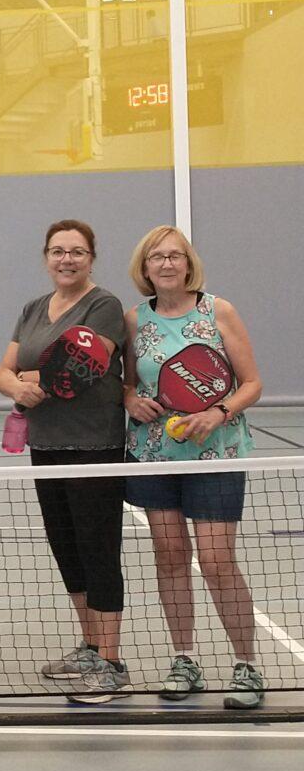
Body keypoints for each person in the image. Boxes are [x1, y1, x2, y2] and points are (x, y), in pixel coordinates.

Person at [122, 225, 264, 709]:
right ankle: (185, 658)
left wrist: (219, 412)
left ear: (188, 263)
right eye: (157, 257)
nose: (166, 264)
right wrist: (131, 401)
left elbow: (251, 384)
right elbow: (125, 385)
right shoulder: (133, 319)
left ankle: (246, 665)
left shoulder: (217, 310)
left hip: (216, 452)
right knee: (170, 556)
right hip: (154, 454)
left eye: (175, 256)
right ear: (144, 268)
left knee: (218, 561)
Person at [0, 219, 129, 703]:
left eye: (76, 251)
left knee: (98, 551)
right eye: (57, 251)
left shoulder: (104, 305)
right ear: (46, 257)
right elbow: (3, 369)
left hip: (95, 446)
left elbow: (85, 365)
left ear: (91, 257)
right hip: (45, 444)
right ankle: (91, 646)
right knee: (66, 548)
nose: (66, 259)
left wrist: (29, 379)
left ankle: (111, 662)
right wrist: (15, 386)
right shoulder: (33, 308)